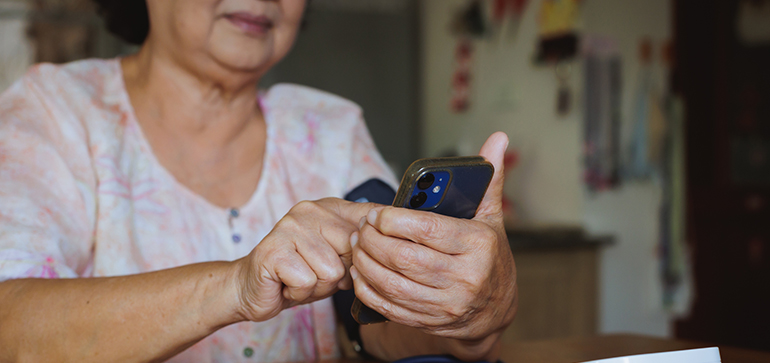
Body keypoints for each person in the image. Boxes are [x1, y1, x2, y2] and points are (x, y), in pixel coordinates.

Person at [0, 0, 518, 362]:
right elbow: (11, 329)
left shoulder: (328, 128)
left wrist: (466, 325)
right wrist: (235, 285)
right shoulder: (54, 111)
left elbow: (373, 326)